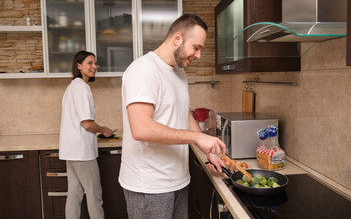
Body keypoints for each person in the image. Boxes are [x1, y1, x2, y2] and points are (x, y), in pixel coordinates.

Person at [119, 14, 226, 219]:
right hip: (149, 186)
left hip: (177, 180)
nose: (198, 55)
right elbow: (141, 129)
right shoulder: (143, 70)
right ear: (178, 38)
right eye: (196, 48)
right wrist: (197, 137)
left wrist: (208, 151)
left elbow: (182, 113)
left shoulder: (178, 72)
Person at [59, 50, 114, 219]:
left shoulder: (71, 87)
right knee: (94, 196)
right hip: (82, 152)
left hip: (71, 150)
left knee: (74, 194)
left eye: (95, 63)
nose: (94, 67)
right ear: (79, 66)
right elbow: (87, 123)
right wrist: (104, 129)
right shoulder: (82, 88)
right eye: (90, 63)